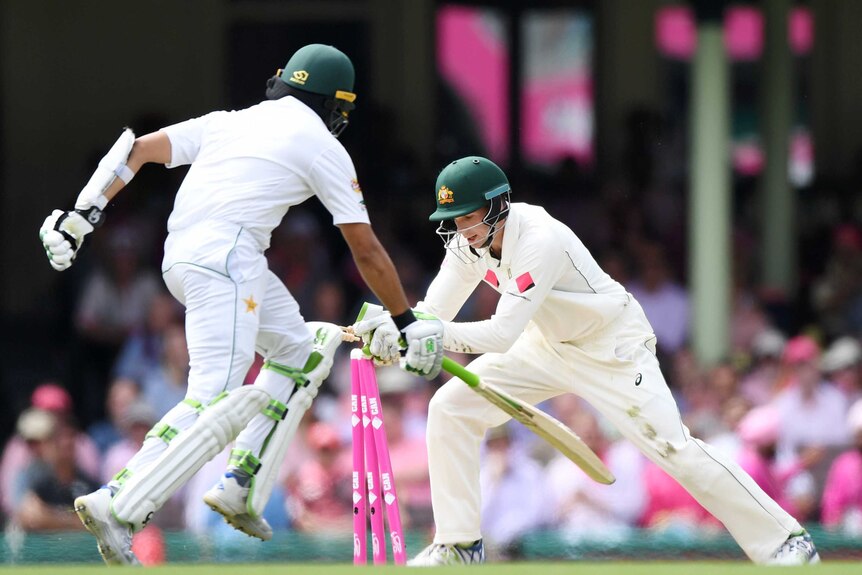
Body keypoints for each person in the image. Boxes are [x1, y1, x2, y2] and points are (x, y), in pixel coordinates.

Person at [38, 43, 444, 565]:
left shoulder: (231, 121)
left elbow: (136, 149)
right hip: (228, 260)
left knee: (299, 352)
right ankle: (117, 503)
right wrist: (406, 319)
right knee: (212, 398)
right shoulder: (322, 145)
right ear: (334, 104)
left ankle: (240, 481)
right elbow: (364, 248)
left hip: (186, 257)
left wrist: (82, 215)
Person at [360, 156, 820, 565]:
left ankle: (786, 541)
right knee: (450, 408)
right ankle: (460, 545)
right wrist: (397, 328)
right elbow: (429, 316)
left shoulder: (540, 239)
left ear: (499, 205)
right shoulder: (466, 244)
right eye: (453, 220)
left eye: (469, 217)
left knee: (672, 449)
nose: (462, 229)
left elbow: (498, 335)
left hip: (611, 348)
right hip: (544, 346)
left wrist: (421, 335)